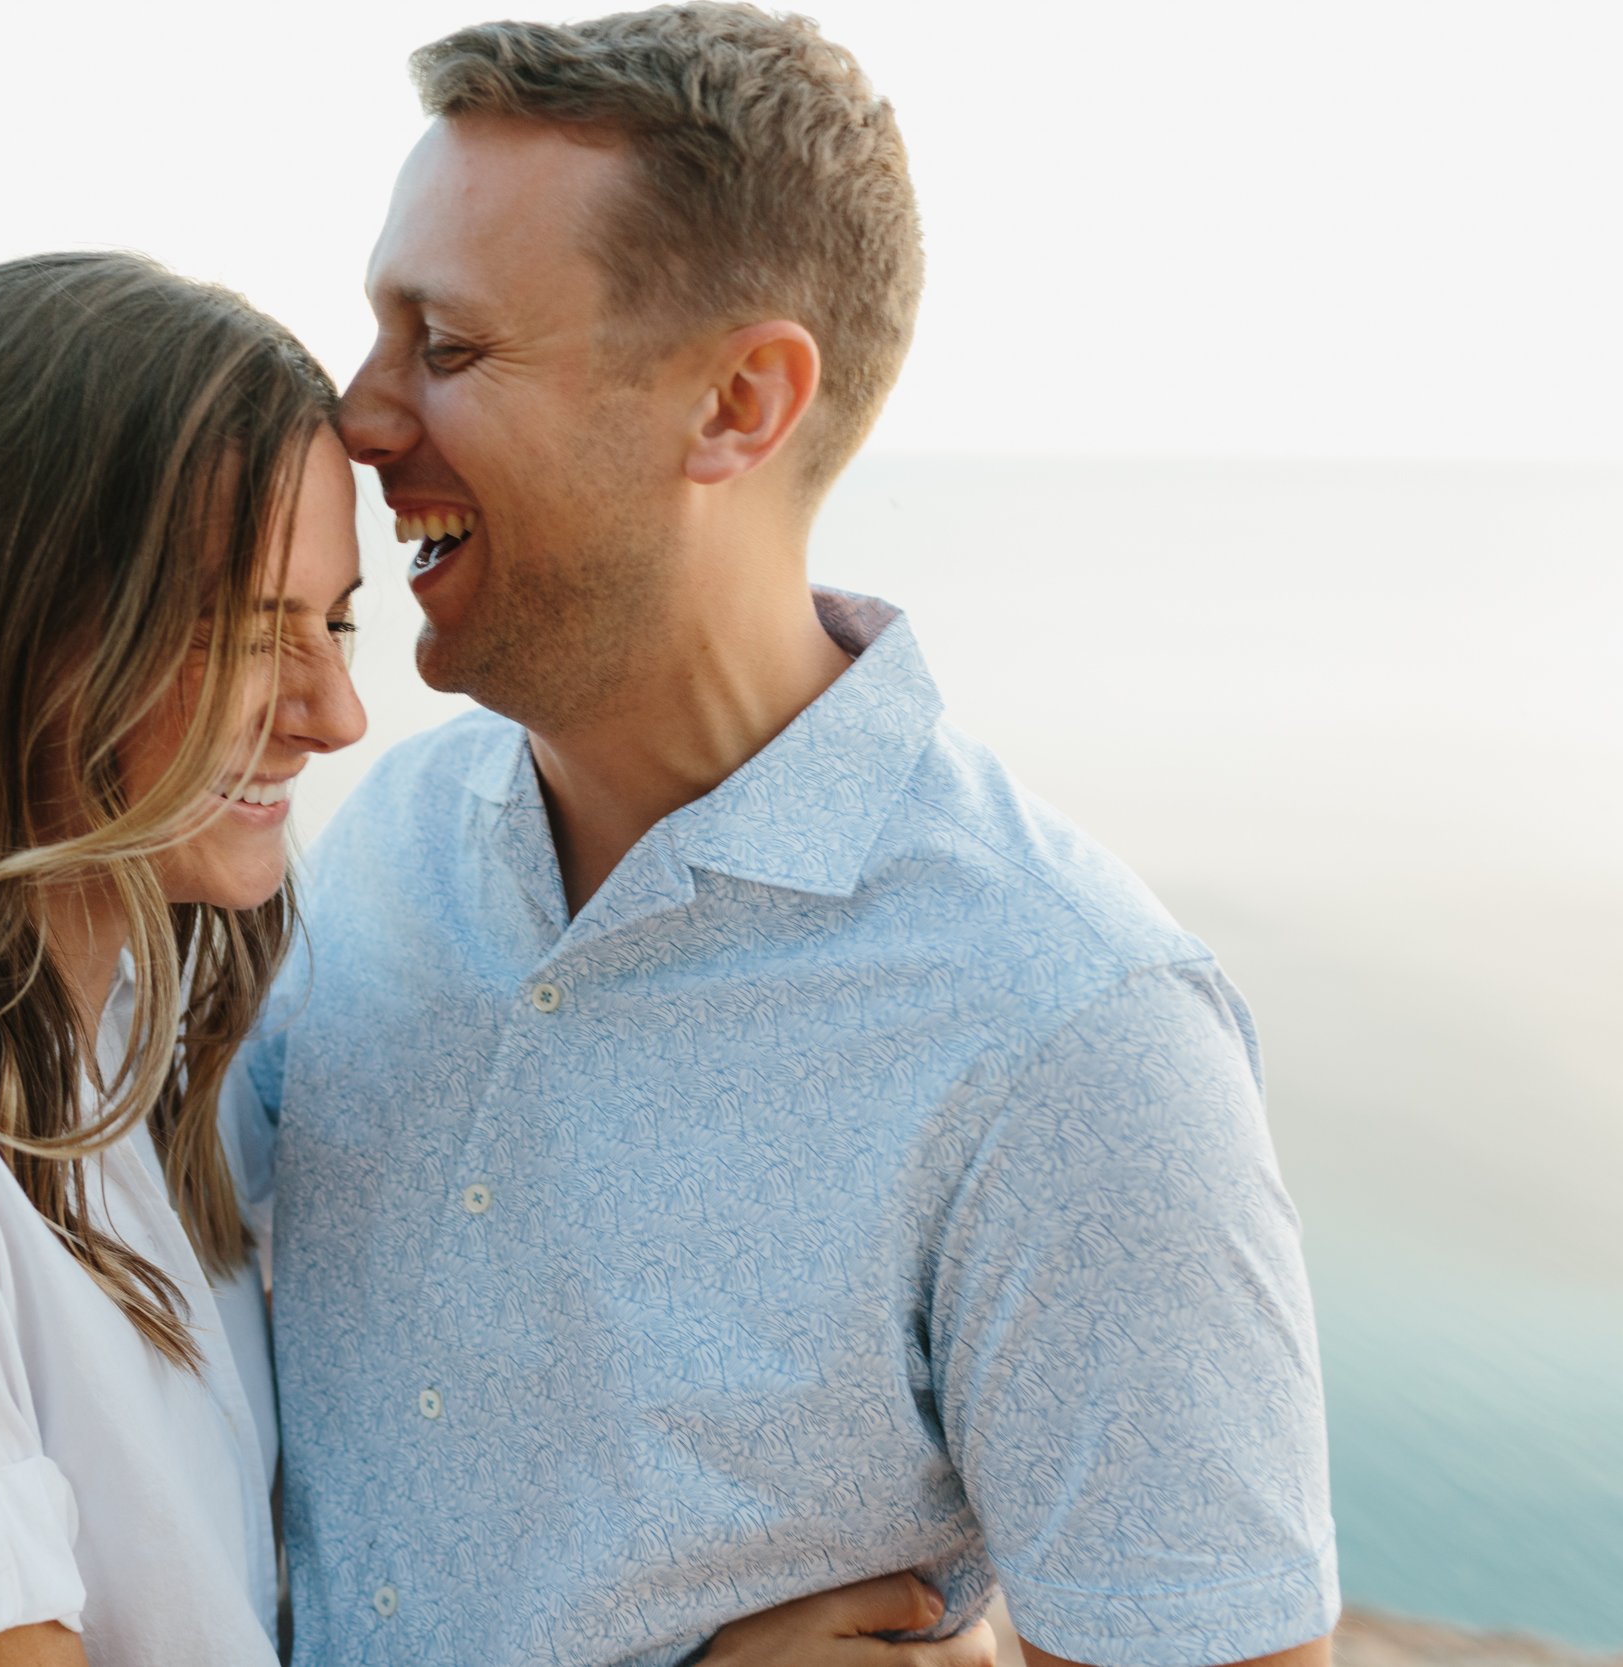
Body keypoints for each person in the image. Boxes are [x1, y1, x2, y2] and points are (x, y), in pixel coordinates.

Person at [0, 252, 999, 1667]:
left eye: (339, 620)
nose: (333, 714)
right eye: (244, 635)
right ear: (2, 625)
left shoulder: (153, 1051)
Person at [232, 9, 1339, 1667]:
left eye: (445, 346)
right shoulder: (384, 838)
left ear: (740, 404)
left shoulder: (1074, 1041)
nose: (358, 413)